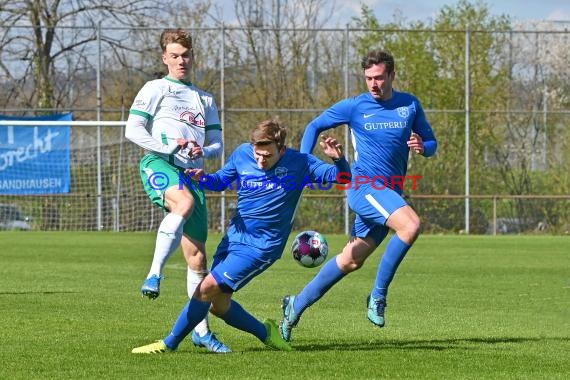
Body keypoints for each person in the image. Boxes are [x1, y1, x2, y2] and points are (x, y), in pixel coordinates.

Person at [131, 119, 350, 354]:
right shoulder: (242, 154)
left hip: (262, 247)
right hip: (234, 237)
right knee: (218, 305)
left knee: (206, 288)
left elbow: (343, 178)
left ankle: (168, 344)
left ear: (282, 150)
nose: (261, 160)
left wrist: (338, 160)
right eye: (257, 154)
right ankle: (267, 333)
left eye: (267, 155)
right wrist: (203, 178)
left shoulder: (301, 163)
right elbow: (221, 181)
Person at [280, 49, 438, 341]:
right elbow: (315, 125)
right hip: (365, 187)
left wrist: (422, 146)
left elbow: (431, 142)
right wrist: (302, 162)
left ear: (391, 75)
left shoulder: (409, 105)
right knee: (410, 225)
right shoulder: (355, 106)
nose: (373, 84)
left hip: (389, 192)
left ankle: (295, 305)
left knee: (351, 260)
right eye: (368, 78)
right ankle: (378, 296)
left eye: (379, 77)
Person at [125, 28, 229, 353]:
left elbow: (217, 144)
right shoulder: (155, 88)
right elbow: (133, 130)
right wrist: (169, 149)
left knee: (198, 259)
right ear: (165, 58)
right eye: (174, 55)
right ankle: (154, 274)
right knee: (181, 204)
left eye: (185, 55)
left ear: (192, 56)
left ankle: (201, 331)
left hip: (193, 175)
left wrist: (202, 151)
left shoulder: (205, 98)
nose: (181, 61)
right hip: (158, 164)